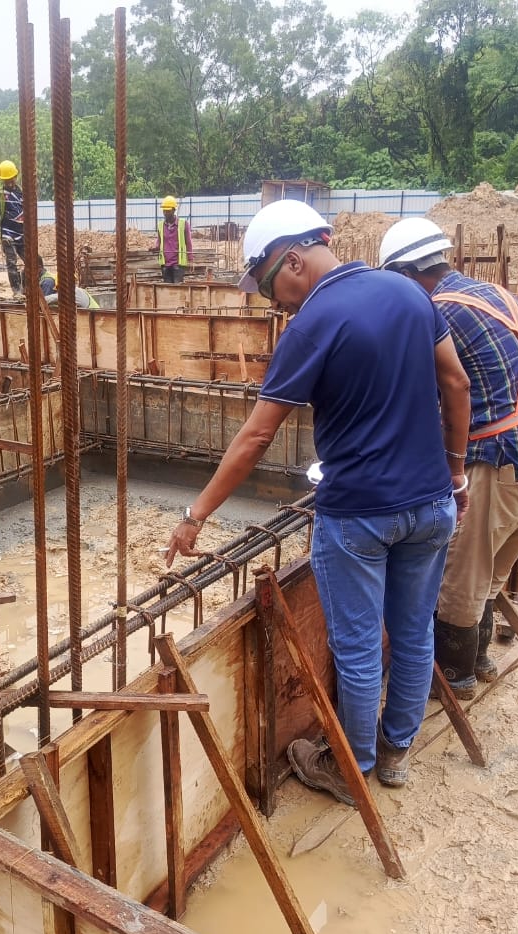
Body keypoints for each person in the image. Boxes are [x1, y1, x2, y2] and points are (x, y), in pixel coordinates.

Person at [164, 200, 471, 797]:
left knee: (357, 649)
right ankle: (396, 755)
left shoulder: (313, 324)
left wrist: (195, 514)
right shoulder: (410, 294)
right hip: (431, 503)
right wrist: (455, 472)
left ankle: (352, 767)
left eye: (268, 286)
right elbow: (455, 382)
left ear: (295, 260)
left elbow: (257, 436)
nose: (273, 303)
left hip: (359, 515)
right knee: (413, 633)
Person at [378, 217, 518, 699]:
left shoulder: (436, 311)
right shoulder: (496, 294)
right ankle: (480, 659)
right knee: (491, 572)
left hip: (499, 459)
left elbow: (429, 393)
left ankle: (455, 678)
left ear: (406, 274)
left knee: (462, 578)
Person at [0, 160, 26, 296]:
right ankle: (17, 291)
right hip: (7, 234)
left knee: (32, 261)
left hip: (22, 233)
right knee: (11, 262)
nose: (10, 183)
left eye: (12, 180)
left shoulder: (21, 192)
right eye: (7, 181)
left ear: (16, 177)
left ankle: (26, 287)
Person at [152, 195, 191, 283]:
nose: (165, 213)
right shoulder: (160, 225)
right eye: (164, 211)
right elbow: (159, 241)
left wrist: (191, 259)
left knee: (177, 288)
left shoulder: (183, 224)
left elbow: (188, 243)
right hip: (165, 264)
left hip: (178, 264)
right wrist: (155, 248)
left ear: (174, 210)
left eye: (168, 211)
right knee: (167, 288)